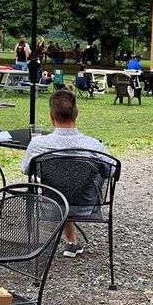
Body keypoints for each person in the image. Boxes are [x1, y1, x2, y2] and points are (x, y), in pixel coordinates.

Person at [20, 90, 111, 258]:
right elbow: (111, 171)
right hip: (86, 206)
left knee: (58, 187)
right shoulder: (93, 145)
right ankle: (71, 241)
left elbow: (26, 170)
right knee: (72, 185)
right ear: (76, 113)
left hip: (49, 205)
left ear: (51, 115)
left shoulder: (38, 144)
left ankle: (67, 242)